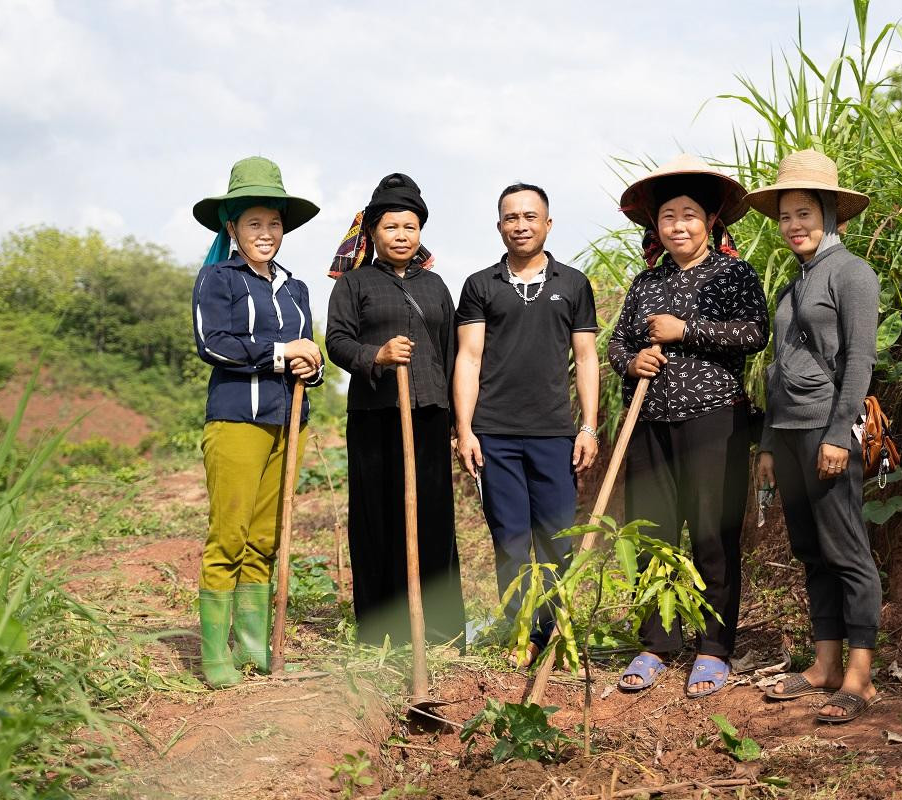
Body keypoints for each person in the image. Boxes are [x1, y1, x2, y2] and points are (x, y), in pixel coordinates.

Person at [608, 154, 769, 698]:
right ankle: (656, 643)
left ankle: (713, 648)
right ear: (656, 226)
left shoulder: (733, 274)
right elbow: (617, 344)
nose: (678, 226)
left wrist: (685, 330)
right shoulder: (645, 282)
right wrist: (631, 362)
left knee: (712, 534)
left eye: (689, 216)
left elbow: (754, 333)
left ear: (710, 221)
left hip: (714, 420)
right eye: (668, 217)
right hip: (650, 421)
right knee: (651, 532)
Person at [747, 149, 882, 724]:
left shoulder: (852, 273)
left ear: (829, 213)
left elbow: (859, 362)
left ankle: (860, 676)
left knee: (847, 550)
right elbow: (777, 369)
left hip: (827, 431)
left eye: (804, 213)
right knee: (812, 551)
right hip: (789, 433)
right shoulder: (792, 286)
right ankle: (825, 664)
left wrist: (837, 434)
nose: (793, 225)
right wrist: (768, 445)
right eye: (785, 216)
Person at [191, 156, 325, 688]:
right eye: (254, 223)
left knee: (265, 539)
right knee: (229, 535)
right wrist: (280, 353)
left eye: (274, 223)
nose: (266, 233)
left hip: (289, 423)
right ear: (232, 228)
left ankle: (252, 646)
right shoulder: (217, 279)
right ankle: (214, 655)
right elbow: (212, 344)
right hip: (236, 421)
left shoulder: (296, 288)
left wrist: (310, 365)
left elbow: (307, 354)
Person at [454, 183, 600, 668]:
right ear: (500, 226)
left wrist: (589, 427)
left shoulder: (573, 284)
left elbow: (586, 358)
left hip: (555, 433)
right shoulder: (480, 285)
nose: (521, 225)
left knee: (557, 536)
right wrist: (465, 429)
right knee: (511, 539)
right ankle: (523, 632)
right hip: (494, 433)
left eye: (530, 216)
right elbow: (469, 358)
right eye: (511, 217)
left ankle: (556, 630)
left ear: (548, 224)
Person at [324, 173, 466, 650]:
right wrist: (376, 356)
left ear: (420, 232)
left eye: (410, 227)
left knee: (433, 515)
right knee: (377, 514)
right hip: (375, 415)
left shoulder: (436, 286)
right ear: (373, 232)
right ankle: (380, 630)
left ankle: (440, 629)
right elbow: (337, 341)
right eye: (391, 227)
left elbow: (450, 353)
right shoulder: (354, 283)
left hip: (429, 414)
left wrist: (455, 420)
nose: (402, 235)